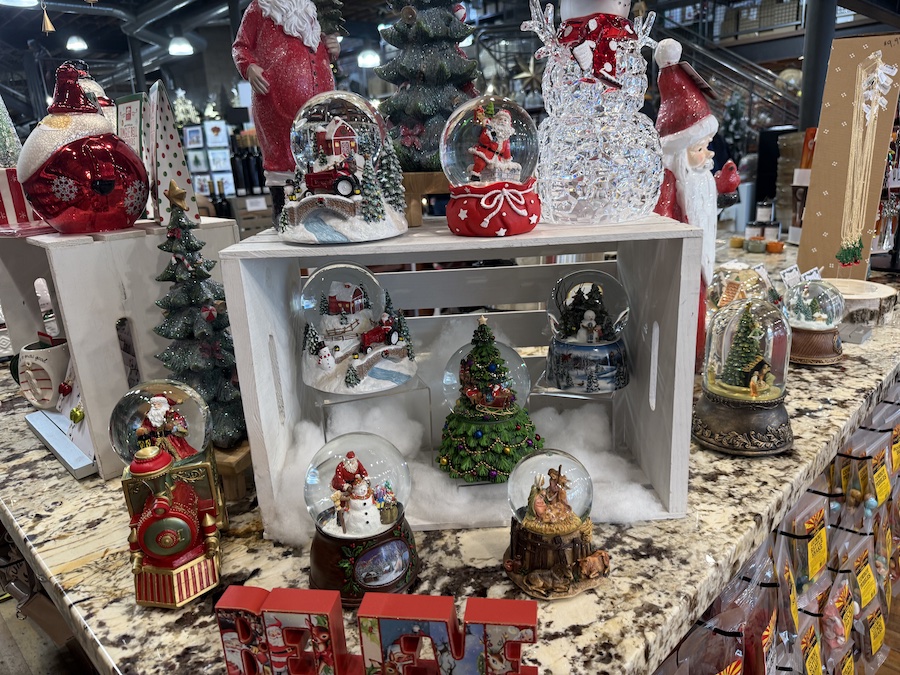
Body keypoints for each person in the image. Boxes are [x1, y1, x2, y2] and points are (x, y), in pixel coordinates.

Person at [233, 0, 341, 224]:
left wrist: (332, 47)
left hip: (320, 104)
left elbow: (318, 46)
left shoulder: (311, 10)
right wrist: (249, 67)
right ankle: (286, 217)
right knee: (282, 157)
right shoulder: (259, 9)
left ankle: (326, 214)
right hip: (275, 102)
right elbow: (240, 46)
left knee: (322, 154)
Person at [135, 395, 198, 460]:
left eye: (158, 404)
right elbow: (146, 426)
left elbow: (181, 424)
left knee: (178, 454)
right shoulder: (149, 416)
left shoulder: (171, 414)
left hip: (172, 440)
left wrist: (173, 427)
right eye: (154, 405)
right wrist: (143, 430)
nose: (156, 407)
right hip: (155, 441)